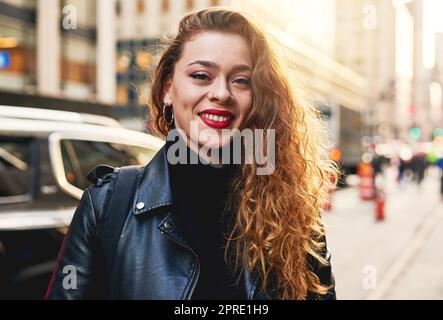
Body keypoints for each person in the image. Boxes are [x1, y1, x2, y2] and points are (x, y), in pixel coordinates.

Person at [46, 8, 338, 300]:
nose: (221, 93)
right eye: (201, 75)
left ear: (258, 99)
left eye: (241, 80)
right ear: (167, 90)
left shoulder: (293, 211)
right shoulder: (107, 205)